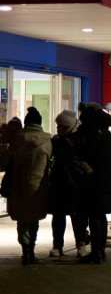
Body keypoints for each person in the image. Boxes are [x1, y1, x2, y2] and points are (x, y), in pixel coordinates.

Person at [3, 107, 52, 265]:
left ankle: (26, 251)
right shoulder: (47, 142)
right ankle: (31, 249)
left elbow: (7, 161)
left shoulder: (17, 140)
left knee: (22, 220)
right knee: (33, 219)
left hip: (18, 185)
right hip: (38, 186)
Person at [74, 103, 111, 264]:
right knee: (100, 215)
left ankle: (96, 252)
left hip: (92, 179)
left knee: (94, 215)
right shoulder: (105, 133)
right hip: (105, 179)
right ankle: (101, 251)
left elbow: (87, 153)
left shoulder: (93, 133)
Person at [47, 110, 89, 258]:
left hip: (73, 183)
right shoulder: (57, 141)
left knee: (76, 216)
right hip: (61, 182)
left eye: (61, 126)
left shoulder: (77, 141)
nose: (58, 128)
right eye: (58, 126)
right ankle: (58, 245)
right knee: (60, 216)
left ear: (68, 126)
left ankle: (80, 243)